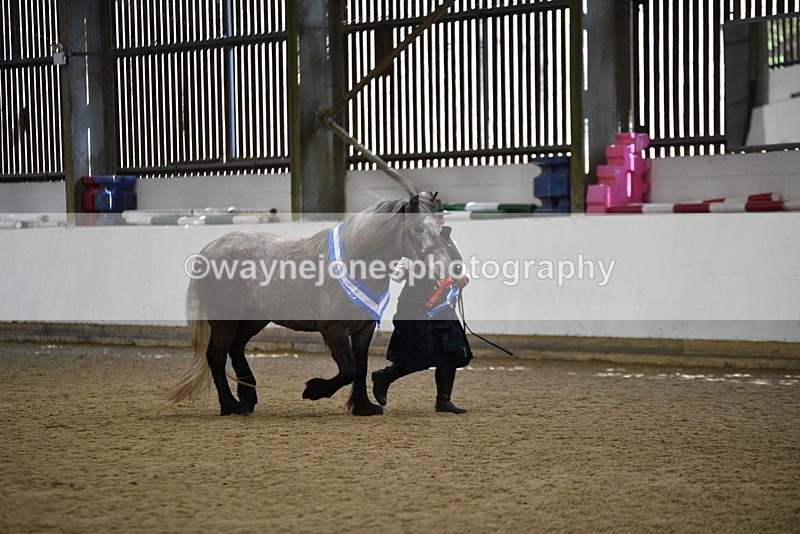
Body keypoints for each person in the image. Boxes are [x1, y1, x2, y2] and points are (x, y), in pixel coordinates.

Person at [372, 195, 473, 413]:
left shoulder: (450, 243)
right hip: (414, 305)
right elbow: (397, 274)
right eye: (434, 218)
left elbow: (462, 273)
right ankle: (384, 377)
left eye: (440, 218)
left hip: (443, 306)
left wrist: (460, 279)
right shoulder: (412, 244)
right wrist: (409, 270)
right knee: (416, 358)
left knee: (451, 352)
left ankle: (443, 400)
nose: (439, 222)